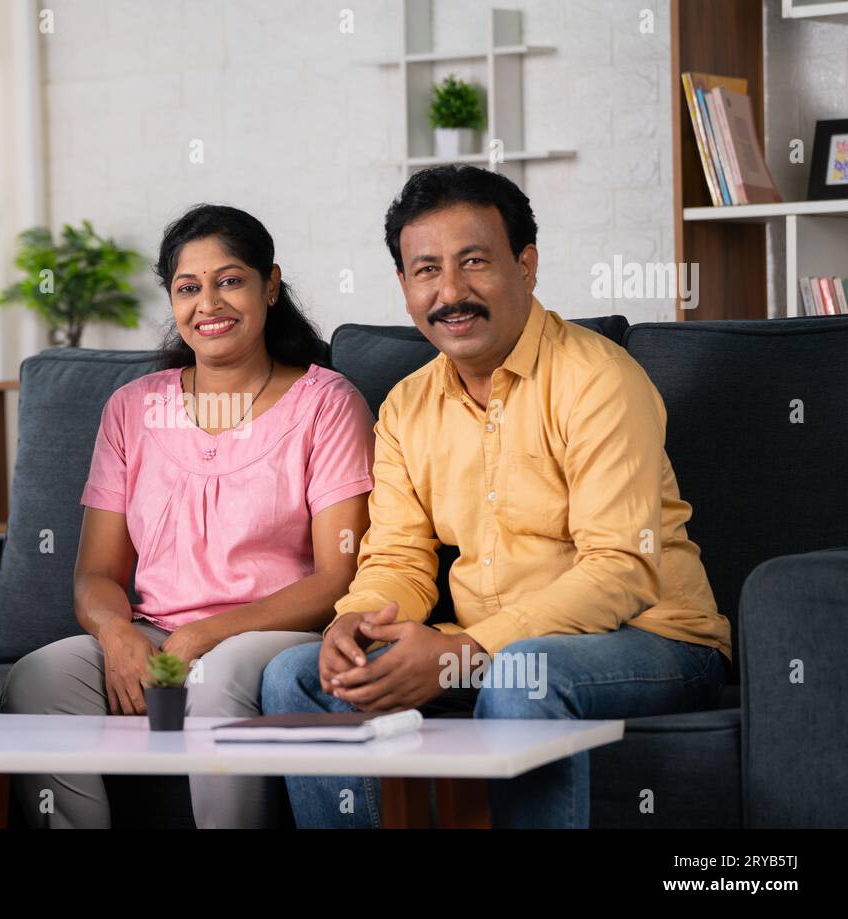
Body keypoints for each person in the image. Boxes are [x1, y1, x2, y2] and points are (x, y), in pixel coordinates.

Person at [261, 164, 732, 829]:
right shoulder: (406, 407)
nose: (451, 292)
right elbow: (397, 553)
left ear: (526, 264)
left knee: (522, 672)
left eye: (474, 261)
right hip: (491, 645)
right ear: (403, 287)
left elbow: (621, 569)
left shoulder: (597, 380)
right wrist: (356, 619)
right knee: (298, 674)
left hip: (651, 639)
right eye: (426, 270)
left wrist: (464, 654)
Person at [0, 204, 376, 828]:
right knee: (39, 679)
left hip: (270, 636)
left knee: (218, 674)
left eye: (229, 280)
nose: (210, 303)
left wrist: (208, 635)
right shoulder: (133, 408)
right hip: (156, 635)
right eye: (188, 287)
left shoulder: (326, 404)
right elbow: (95, 572)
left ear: (271, 285)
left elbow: (338, 577)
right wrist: (117, 635)